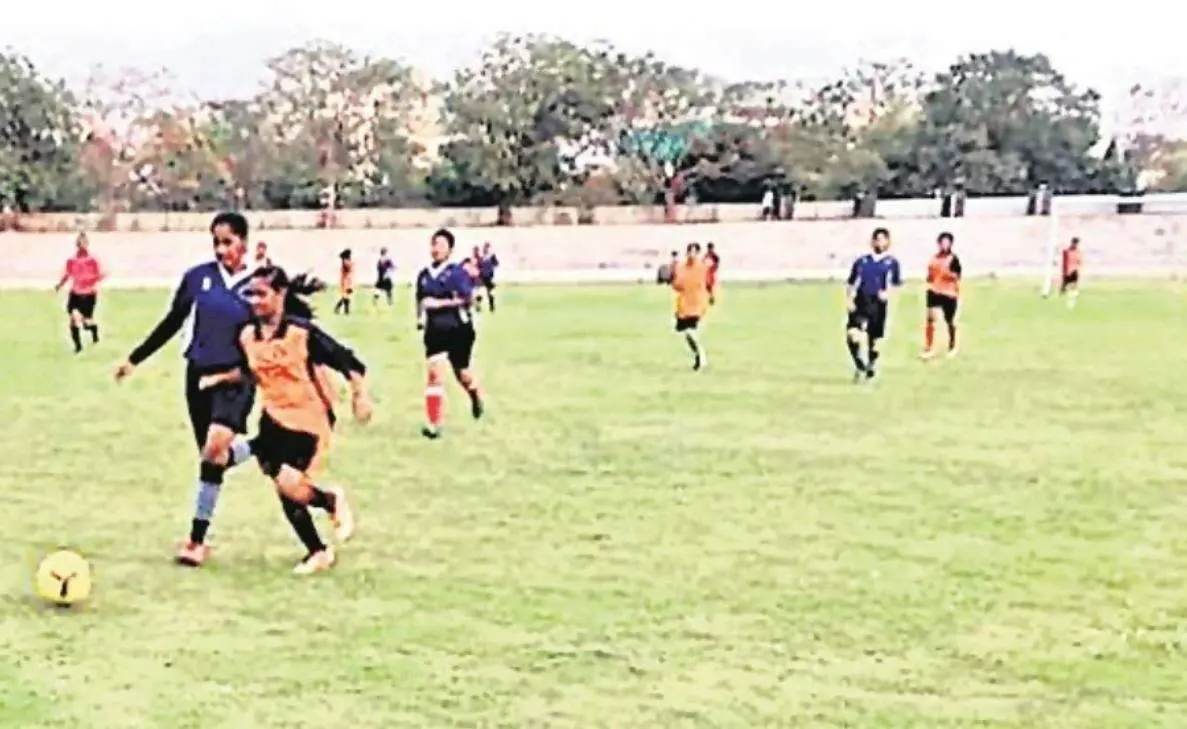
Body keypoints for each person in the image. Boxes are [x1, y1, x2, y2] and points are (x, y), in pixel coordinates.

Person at [199, 267, 370, 575]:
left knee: (289, 484)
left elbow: (349, 362)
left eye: (262, 294)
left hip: (309, 421)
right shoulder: (248, 335)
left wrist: (360, 396)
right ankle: (318, 551)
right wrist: (219, 378)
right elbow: (252, 370)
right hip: (273, 420)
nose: (255, 301)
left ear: (281, 295)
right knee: (284, 489)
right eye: (251, 294)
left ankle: (330, 500)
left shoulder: (301, 333)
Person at [114, 211, 258, 567]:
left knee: (214, 450)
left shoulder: (260, 284)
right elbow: (172, 322)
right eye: (216, 242)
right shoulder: (198, 279)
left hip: (237, 379)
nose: (221, 249)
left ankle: (194, 540)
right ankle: (263, 445)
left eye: (228, 241)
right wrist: (135, 358)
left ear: (244, 242)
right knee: (213, 461)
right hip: (197, 378)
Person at [416, 228, 484, 439]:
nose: (436, 249)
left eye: (441, 245)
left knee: (462, 373)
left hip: (459, 329)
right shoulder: (424, 274)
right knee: (434, 375)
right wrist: (419, 318)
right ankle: (434, 424)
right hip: (435, 331)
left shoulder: (457, 273)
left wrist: (440, 303)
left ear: (450, 250)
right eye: (434, 244)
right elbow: (420, 299)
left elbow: (468, 299)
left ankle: (474, 394)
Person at [845, 227, 902, 381]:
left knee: (874, 339)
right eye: (877, 239)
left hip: (878, 304)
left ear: (888, 242)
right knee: (852, 335)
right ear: (872, 241)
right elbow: (851, 282)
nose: (879, 242)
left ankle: (871, 365)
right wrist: (849, 299)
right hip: (861, 300)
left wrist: (887, 294)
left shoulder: (891, 262)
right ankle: (859, 363)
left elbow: (895, 284)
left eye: (883, 239)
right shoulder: (862, 261)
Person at [54, 232, 105, 353]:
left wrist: (91, 281)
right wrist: (60, 285)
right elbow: (67, 274)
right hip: (75, 293)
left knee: (86, 322)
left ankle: (93, 330)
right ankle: (78, 346)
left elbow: (100, 275)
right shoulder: (71, 260)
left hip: (88, 295)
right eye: (80, 243)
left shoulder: (93, 260)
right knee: (73, 319)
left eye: (85, 242)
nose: (82, 245)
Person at [921, 232, 962, 359]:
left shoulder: (953, 259)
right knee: (930, 319)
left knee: (950, 321)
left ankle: (952, 346)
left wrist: (947, 274)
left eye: (947, 242)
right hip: (934, 291)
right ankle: (929, 347)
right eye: (942, 242)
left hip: (949, 293)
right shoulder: (934, 258)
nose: (944, 245)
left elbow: (957, 275)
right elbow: (929, 274)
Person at [671, 242, 711, 371]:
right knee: (686, 334)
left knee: (690, 332)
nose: (691, 254)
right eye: (689, 251)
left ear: (698, 253)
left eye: (694, 252)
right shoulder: (681, 267)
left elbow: (710, 282)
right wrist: (670, 279)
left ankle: (701, 355)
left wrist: (711, 295)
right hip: (683, 305)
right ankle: (698, 355)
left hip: (697, 304)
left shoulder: (703, 267)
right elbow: (678, 285)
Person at [477, 242, 500, 313]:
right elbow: (477, 265)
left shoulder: (492, 256)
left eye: (487, 248)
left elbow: (496, 264)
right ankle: (478, 306)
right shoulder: (481, 257)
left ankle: (492, 307)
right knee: (480, 292)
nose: (486, 249)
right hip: (482, 277)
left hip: (489, 277)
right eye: (485, 248)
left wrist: (491, 269)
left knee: (491, 292)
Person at [1060, 237, 1082, 308]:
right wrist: (1064, 272)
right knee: (1064, 288)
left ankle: (1073, 299)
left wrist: (1079, 269)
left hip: (1074, 271)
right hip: (1068, 271)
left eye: (1076, 243)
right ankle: (1062, 300)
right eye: (1074, 242)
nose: (1075, 244)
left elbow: (1079, 261)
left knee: (1074, 286)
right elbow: (1064, 262)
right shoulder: (1066, 251)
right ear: (1072, 242)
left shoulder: (1078, 251)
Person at [333, 249, 354, 315]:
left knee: (346, 296)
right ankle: (343, 310)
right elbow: (349, 268)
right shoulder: (346, 261)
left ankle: (343, 310)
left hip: (347, 280)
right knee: (346, 296)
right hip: (346, 281)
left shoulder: (345, 261)